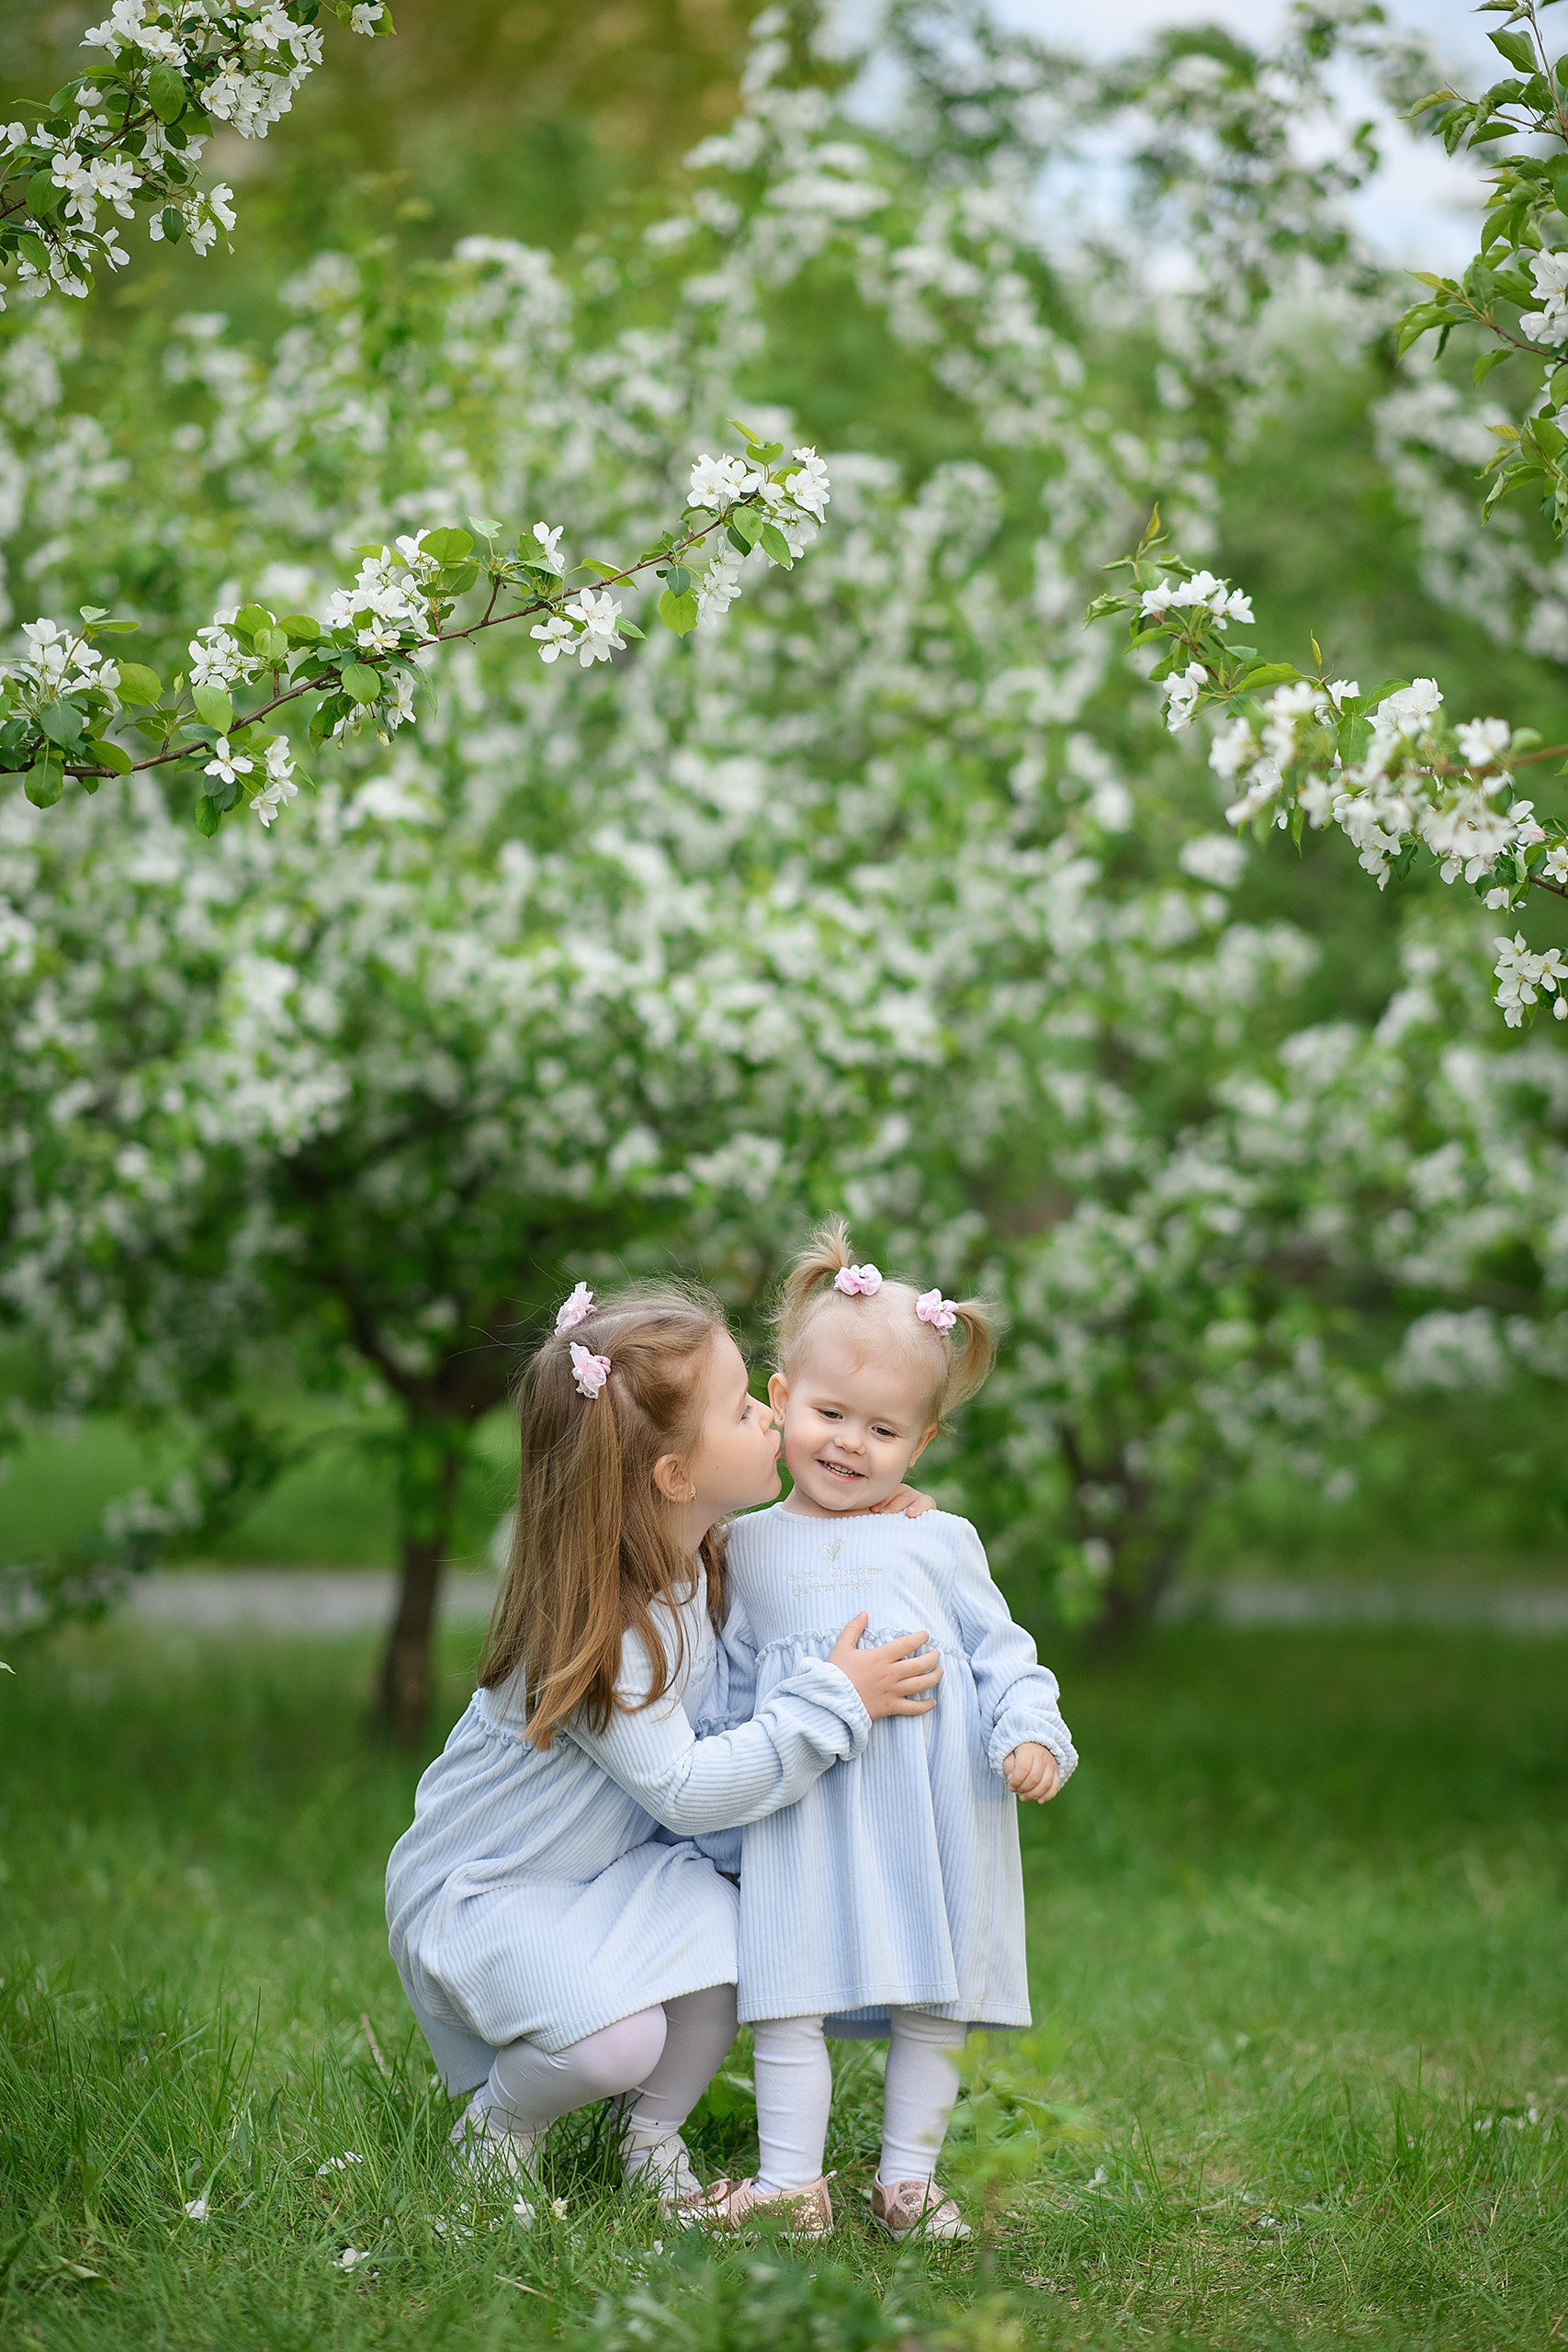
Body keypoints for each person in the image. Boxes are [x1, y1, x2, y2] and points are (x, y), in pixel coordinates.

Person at [384, 1280, 942, 2222]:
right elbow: (686, 1790)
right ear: (677, 1477)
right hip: (490, 1889)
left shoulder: (699, 1551)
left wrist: (874, 1511)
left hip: (603, 1875)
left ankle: (648, 2136)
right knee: (617, 2042)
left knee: (729, 1955)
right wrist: (835, 1703)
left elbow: (799, 1562)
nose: (772, 1417)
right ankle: (498, 2129)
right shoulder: (600, 1632)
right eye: (743, 1407)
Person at [696, 1222, 1077, 2244]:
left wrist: (1029, 1730)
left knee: (934, 2000)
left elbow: (1004, 1654)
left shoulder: (939, 1537)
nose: (848, 1445)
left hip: (935, 1808)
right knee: (786, 1995)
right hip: (802, 1810)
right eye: (828, 1413)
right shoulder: (743, 1545)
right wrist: (718, 1818)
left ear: (922, 1444)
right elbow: (726, 1682)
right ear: (781, 1398)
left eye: (882, 1430)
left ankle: (908, 2179)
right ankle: (790, 2182)